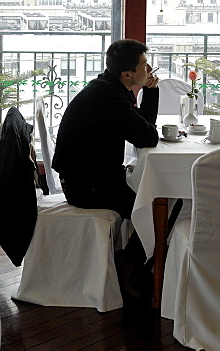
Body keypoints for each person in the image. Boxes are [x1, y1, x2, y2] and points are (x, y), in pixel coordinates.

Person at [51, 39, 159, 303]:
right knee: (158, 207)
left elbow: (142, 130)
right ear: (127, 74)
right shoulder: (109, 97)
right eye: (144, 65)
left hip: (93, 177)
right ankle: (129, 263)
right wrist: (150, 93)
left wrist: (149, 92)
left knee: (160, 199)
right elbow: (147, 137)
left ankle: (133, 260)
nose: (149, 68)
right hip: (86, 187)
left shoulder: (109, 89)